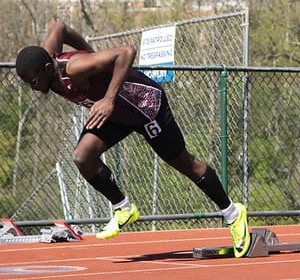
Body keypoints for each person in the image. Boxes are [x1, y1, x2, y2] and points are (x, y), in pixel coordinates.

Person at [15, 21, 251, 258]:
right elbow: (60, 27)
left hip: (145, 107)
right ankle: (123, 208)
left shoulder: (76, 68)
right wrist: (94, 56)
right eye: (27, 84)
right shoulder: (47, 56)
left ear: (47, 68)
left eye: (34, 82)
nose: (33, 88)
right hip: (116, 116)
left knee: (184, 163)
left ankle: (233, 213)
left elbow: (127, 52)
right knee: (82, 156)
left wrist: (107, 97)